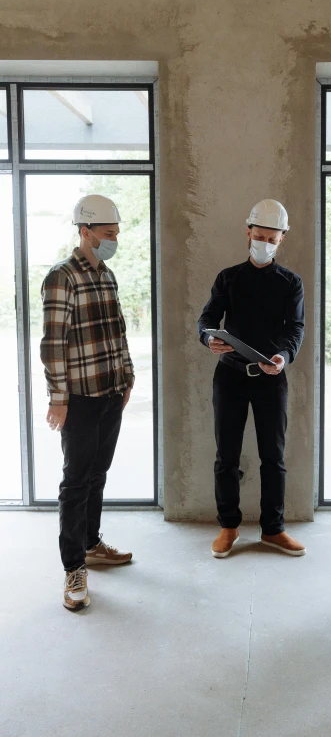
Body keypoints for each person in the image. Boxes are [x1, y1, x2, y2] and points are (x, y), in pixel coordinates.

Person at [41, 194, 134, 611]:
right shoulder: (62, 277)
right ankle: (73, 567)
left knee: (99, 472)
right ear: (85, 231)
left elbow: (118, 331)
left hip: (111, 391)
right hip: (78, 398)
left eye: (116, 233)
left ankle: (92, 543)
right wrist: (58, 399)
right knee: (76, 481)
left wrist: (127, 376)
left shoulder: (107, 275)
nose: (114, 239)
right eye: (108, 234)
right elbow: (53, 344)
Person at [198, 199, 306, 558]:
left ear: (282, 239)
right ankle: (228, 527)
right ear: (248, 232)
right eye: (259, 236)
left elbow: (296, 329)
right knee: (226, 455)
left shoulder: (291, 283)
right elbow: (207, 318)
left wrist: (284, 357)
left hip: (271, 378)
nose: (264, 243)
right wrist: (208, 337)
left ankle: (273, 530)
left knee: (273, 456)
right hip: (229, 377)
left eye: (272, 239)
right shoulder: (228, 277)